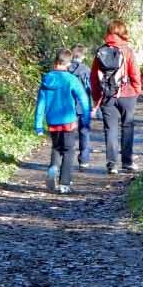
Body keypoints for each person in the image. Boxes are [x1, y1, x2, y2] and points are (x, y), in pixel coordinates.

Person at [34, 48, 92, 194]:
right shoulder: (71, 79)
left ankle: (53, 167)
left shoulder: (47, 79)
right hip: (68, 120)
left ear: (55, 62)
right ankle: (64, 183)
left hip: (52, 121)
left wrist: (38, 125)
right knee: (69, 150)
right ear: (68, 64)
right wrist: (86, 117)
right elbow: (84, 99)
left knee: (56, 147)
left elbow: (41, 104)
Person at [91, 19, 143, 174]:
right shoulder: (127, 50)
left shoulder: (101, 51)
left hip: (107, 96)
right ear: (123, 32)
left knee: (110, 129)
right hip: (127, 94)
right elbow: (135, 73)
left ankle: (112, 165)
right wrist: (137, 89)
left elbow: (94, 77)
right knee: (127, 126)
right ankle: (127, 162)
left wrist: (96, 97)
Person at [68, 45, 93, 171]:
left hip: (69, 105)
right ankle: (84, 159)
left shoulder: (66, 69)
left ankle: (67, 157)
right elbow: (90, 88)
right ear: (83, 56)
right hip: (84, 105)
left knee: (69, 132)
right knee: (84, 132)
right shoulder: (86, 70)